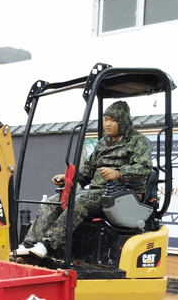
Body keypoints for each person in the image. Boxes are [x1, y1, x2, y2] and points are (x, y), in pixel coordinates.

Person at [16, 100, 153, 258]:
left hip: (122, 195)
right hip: (98, 192)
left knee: (78, 202)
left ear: (123, 121)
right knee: (54, 201)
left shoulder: (139, 142)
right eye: (105, 119)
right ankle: (29, 243)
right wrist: (68, 177)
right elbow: (88, 170)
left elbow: (144, 168)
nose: (107, 124)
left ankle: (47, 244)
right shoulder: (103, 143)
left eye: (112, 120)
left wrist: (118, 173)